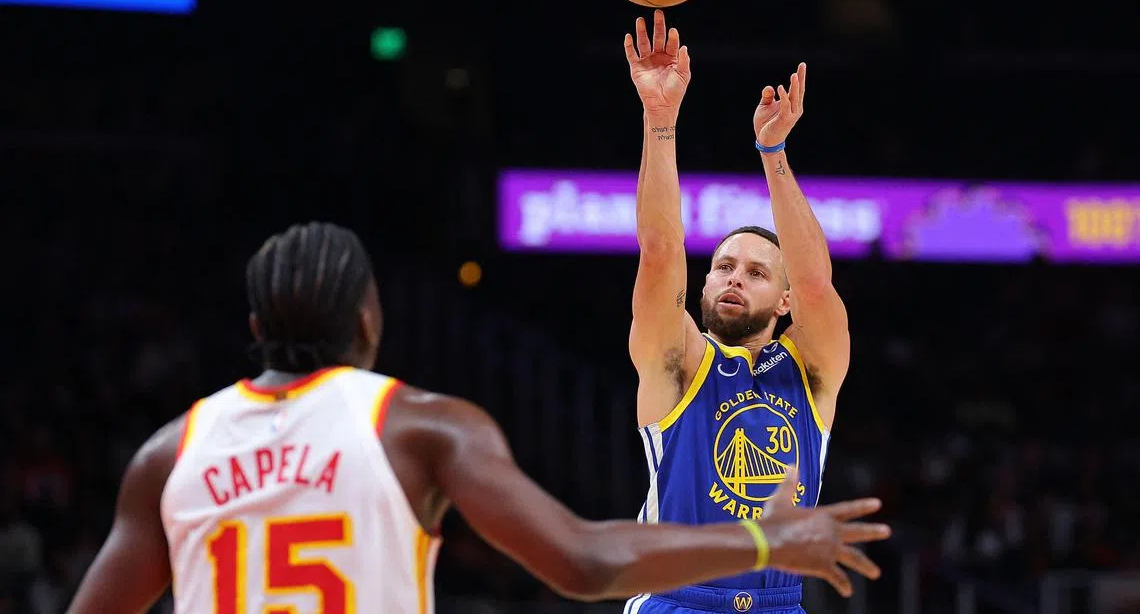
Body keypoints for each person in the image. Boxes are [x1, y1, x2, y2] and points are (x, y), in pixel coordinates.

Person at [66, 222, 886, 614]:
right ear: (369, 324)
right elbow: (582, 560)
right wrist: (765, 542)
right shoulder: (417, 427)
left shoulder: (169, 454)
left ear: (252, 327)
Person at [623, 10, 855, 614]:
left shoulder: (811, 372)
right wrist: (659, 120)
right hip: (678, 597)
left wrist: (773, 151)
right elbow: (660, 251)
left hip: (780, 603)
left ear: (784, 301)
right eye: (724, 266)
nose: (734, 278)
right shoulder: (678, 362)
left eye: (756, 273)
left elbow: (816, 282)